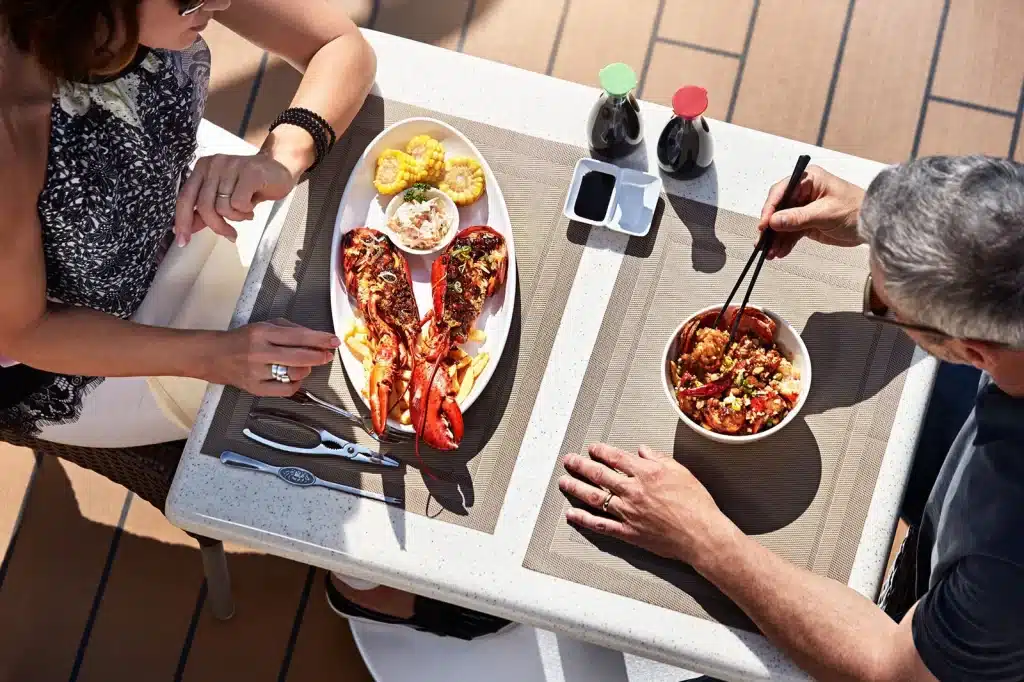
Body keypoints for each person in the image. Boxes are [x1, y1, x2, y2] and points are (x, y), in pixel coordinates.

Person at [0, 0, 508, 640]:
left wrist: (283, 155)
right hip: (72, 348)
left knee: (364, 321)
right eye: (191, 3)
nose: (217, 5)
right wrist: (214, 355)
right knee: (316, 416)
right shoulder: (8, 133)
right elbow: (23, 332)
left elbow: (339, 48)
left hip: (176, 196)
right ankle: (358, 581)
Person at [559, 156, 1024, 681]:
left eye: (883, 305)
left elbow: (890, 668)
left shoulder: (1002, 560)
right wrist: (874, 217)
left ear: (975, 350)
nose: (878, 307)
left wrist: (703, 537)